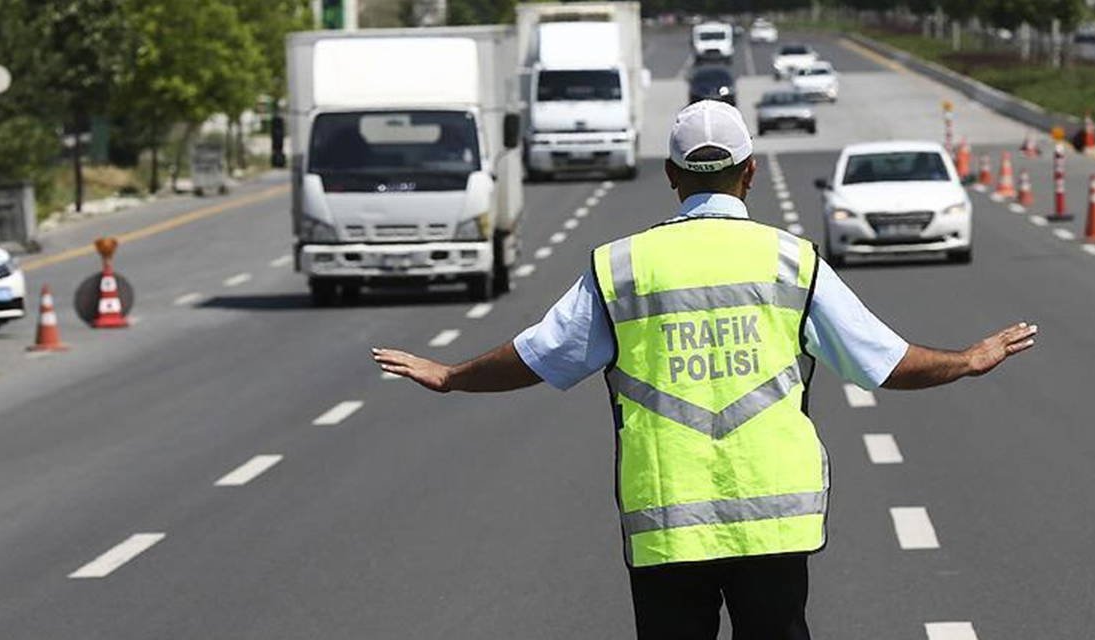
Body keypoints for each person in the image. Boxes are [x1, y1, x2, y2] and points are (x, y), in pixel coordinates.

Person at [371, 100, 1037, 640]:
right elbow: (884, 362)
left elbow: (539, 355)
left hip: (667, 519)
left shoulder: (623, 266)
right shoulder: (790, 261)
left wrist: (451, 374)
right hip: (773, 519)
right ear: (748, 173)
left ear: (671, 174)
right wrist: (968, 360)